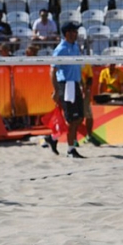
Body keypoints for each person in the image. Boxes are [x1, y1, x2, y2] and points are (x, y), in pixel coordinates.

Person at [45, 21, 86, 158]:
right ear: (68, 33)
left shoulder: (75, 46)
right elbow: (52, 71)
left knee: (79, 117)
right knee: (72, 119)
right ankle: (70, 150)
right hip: (66, 85)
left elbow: (77, 68)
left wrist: (82, 84)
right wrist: (56, 90)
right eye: (74, 31)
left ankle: (53, 138)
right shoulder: (61, 49)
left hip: (74, 84)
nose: (77, 33)